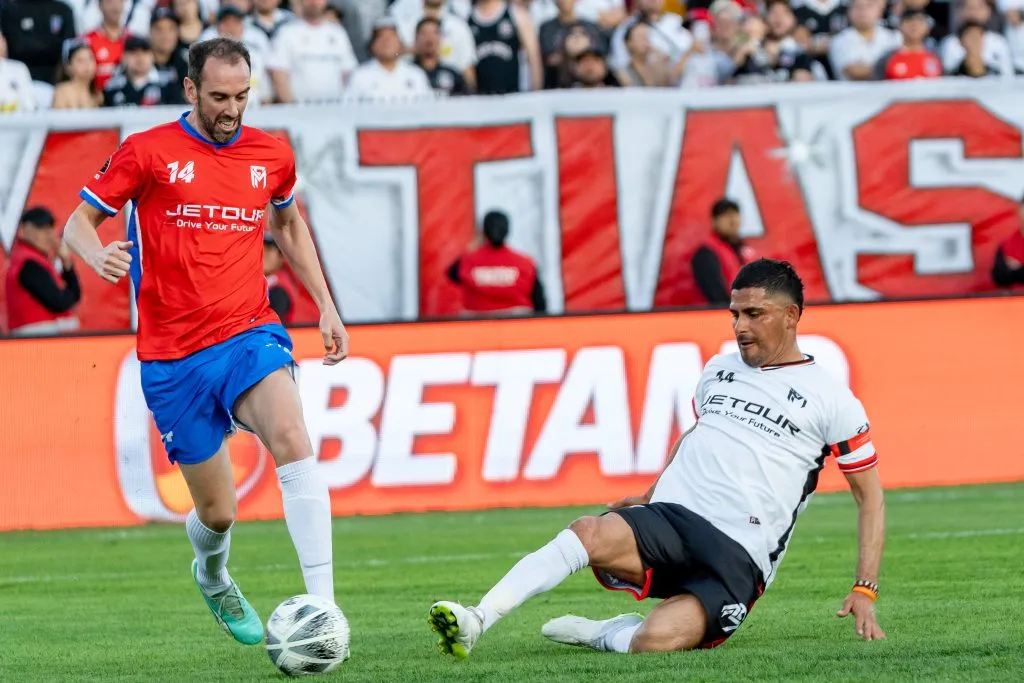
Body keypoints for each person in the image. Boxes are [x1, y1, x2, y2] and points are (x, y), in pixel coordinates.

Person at [429, 259, 886, 658]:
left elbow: (870, 498)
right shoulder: (719, 370)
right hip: (674, 517)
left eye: (754, 314)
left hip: (739, 558)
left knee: (657, 640)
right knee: (588, 531)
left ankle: (606, 633)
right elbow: (698, 433)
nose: (740, 326)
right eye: (734, 314)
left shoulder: (832, 399)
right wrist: (649, 494)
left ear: (791, 316)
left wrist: (864, 587)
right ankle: (477, 620)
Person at [63, 37, 348, 646]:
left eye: (242, 96)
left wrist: (326, 304)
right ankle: (214, 576)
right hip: (171, 356)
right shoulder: (148, 152)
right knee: (218, 514)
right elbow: (77, 223)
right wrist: (98, 255)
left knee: (293, 437)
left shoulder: (271, 154)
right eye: (219, 96)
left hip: (248, 330)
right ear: (191, 89)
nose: (232, 109)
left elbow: (289, 223)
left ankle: (324, 611)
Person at [446, 210, 546, 317]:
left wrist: (473, 248)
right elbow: (540, 303)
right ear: (507, 231)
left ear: (483, 232)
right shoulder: (525, 263)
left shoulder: (468, 261)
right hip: (517, 325)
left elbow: (452, 274)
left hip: (476, 326)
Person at [5, 207, 81, 336]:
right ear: (25, 231)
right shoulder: (27, 263)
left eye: (50, 228)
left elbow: (72, 297)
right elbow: (60, 302)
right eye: (41, 229)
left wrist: (67, 264)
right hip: (32, 342)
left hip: (40, 340)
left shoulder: (37, 260)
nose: (49, 235)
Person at [690, 197, 757, 306]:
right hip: (719, 316)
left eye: (735, 214)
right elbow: (715, 294)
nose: (732, 220)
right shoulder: (706, 253)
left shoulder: (744, 251)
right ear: (714, 221)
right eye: (726, 215)